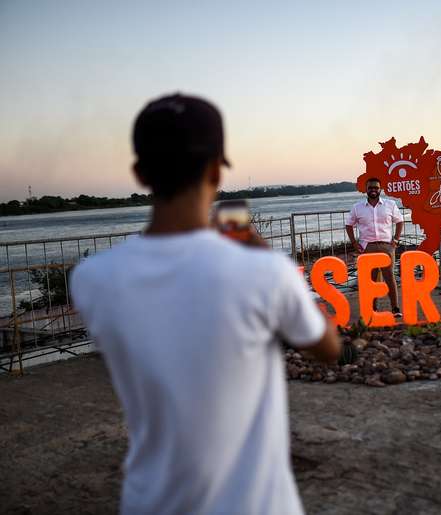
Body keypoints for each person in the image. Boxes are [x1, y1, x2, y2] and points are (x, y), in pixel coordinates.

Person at [70, 93, 340, 515]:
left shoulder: (92, 279)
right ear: (216, 169)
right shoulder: (264, 272)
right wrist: (271, 265)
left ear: (140, 173)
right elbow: (328, 349)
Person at [345, 177, 404, 317]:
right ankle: (372, 310)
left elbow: (399, 221)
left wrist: (396, 239)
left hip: (386, 246)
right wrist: (354, 243)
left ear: (380, 189)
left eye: (376, 187)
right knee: (370, 281)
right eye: (370, 187)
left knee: (390, 278)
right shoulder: (357, 207)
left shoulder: (390, 204)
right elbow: (348, 225)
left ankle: (395, 308)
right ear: (366, 189)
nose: (373, 190)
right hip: (367, 247)